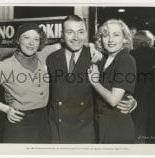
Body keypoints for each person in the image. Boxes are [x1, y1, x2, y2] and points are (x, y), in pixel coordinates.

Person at [46, 15, 137, 144]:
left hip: (86, 132)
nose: (76, 37)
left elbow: (113, 89)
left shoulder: (99, 59)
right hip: (57, 132)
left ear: (86, 33)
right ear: (62, 34)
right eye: (70, 32)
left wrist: (131, 100)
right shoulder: (51, 59)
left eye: (80, 32)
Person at [0, 23, 51, 143]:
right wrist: (6, 109)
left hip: (43, 122)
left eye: (36, 39)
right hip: (19, 123)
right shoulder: (4, 66)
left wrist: (92, 46)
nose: (31, 43)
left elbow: (64, 46)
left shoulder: (43, 60)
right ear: (18, 40)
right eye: (26, 38)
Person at [88, 19, 136, 143]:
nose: (110, 40)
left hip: (117, 127)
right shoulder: (106, 59)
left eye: (116, 35)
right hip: (103, 124)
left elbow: (114, 100)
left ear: (125, 39)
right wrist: (90, 45)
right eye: (106, 35)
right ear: (100, 39)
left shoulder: (125, 59)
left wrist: (95, 82)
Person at [130, 30, 155, 143]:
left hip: (140, 87)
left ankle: (140, 141)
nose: (133, 43)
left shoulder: (135, 53)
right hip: (150, 88)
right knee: (151, 117)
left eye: (136, 41)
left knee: (139, 117)